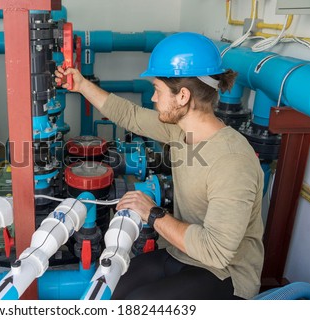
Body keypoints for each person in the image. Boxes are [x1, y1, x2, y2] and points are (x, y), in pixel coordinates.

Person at [55, 32, 264, 300]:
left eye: (157, 89)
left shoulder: (231, 161)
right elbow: (129, 115)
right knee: (110, 291)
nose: (153, 98)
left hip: (225, 273)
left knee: (135, 305)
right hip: (182, 252)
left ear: (183, 96)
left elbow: (216, 251)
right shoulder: (182, 130)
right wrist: (82, 85)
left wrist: (152, 213)